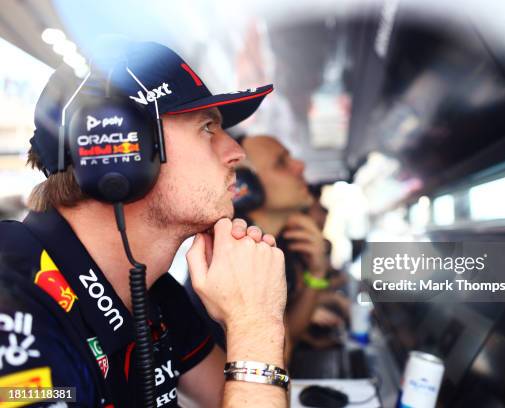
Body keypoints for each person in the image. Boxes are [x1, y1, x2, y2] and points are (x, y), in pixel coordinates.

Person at [0, 42, 289, 407]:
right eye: (207, 128)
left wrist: (255, 320)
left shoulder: (154, 293)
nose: (236, 152)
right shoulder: (13, 305)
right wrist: (254, 324)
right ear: (121, 151)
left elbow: (257, 396)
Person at [236, 135, 346, 348]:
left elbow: (289, 332)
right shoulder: (241, 254)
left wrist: (316, 273)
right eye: (281, 163)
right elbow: (280, 351)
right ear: (246, 187)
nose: (299, 166)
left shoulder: (276, 246)